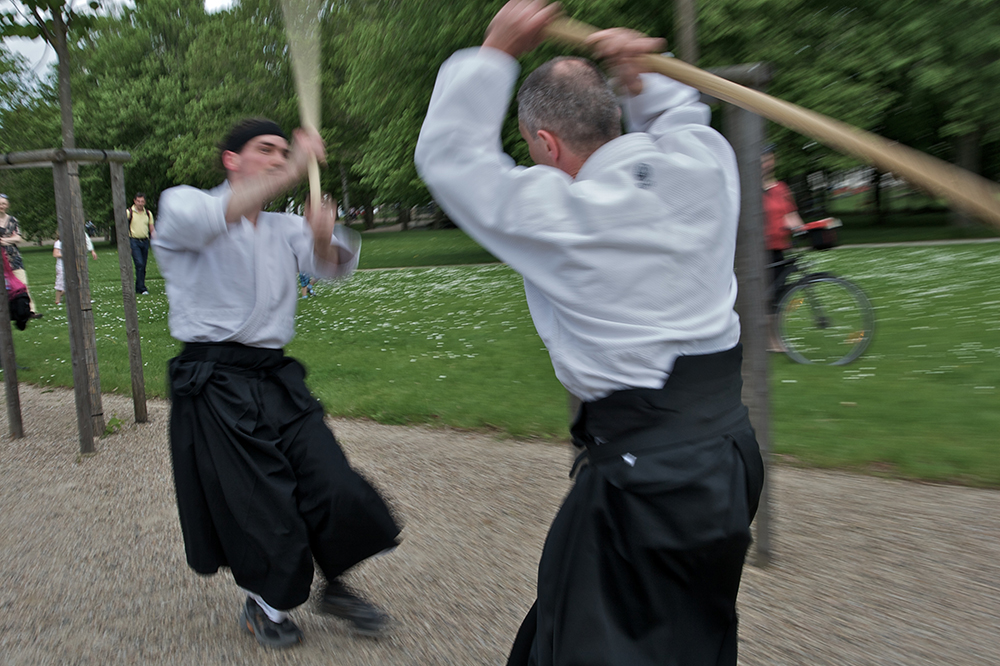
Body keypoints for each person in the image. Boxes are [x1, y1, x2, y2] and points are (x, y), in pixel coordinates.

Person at [415, 2, 764, 664]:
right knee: (651, 631)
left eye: (529, 149)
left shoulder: (570, 216)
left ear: (546, 144)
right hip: (728, 457)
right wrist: (645, 79)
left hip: (652, 480)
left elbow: (451, 160)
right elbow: (684, 120)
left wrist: (494, 50)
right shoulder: (704, 167)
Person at [152, 118, 401, 649]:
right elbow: (220, 215)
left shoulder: (286, 228)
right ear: (231, 159)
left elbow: (333, 267)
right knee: (263, 500)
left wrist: (318, 236)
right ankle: (266, 605)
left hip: (274, 374)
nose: (277, 159)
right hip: (214, 379)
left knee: (332, 482)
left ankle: (334, 585)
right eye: (265, 150)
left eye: (284, 151)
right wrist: (293, 168)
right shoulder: (185, 206)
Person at [762, 146, 804, 351]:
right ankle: (771, 341)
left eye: (769, 159)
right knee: (766, 296)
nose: (766, 164)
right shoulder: (749, 188)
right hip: (758, 251)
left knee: (778, 295)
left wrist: (803, 229)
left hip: (779, 248)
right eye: (762, 160)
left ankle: (774, 338)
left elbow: (790, 214)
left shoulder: (781, 188)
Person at [0, 193, 41, 318]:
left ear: (7, 205)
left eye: (3, 203)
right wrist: (10, 238)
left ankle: (29, 310)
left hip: (13, 257)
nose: (1, 206)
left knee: (22, 284)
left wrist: (4, 241)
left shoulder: (12, 220)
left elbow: (18, 238)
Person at [53, 232, 98, 306]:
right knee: (61, 283)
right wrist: (67, 255)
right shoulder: (59, 243)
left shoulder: (71, 243)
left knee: (78, 281)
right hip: (62, 266)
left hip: (72, 265)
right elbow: (55, 254)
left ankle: (84, 298)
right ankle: (58, 300)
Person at [127, 192, 155, 295]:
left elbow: (151, 228)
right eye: (138, 201)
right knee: (139, 263)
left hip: (144, 241)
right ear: (134, 201)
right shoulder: (129, 212)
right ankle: (142, 287)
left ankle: (139, 286)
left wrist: (155, 240)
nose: (140, 203)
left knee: (143, 265)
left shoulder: (148, 213)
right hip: (134, 241)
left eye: (142, 201)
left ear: (145, 202)